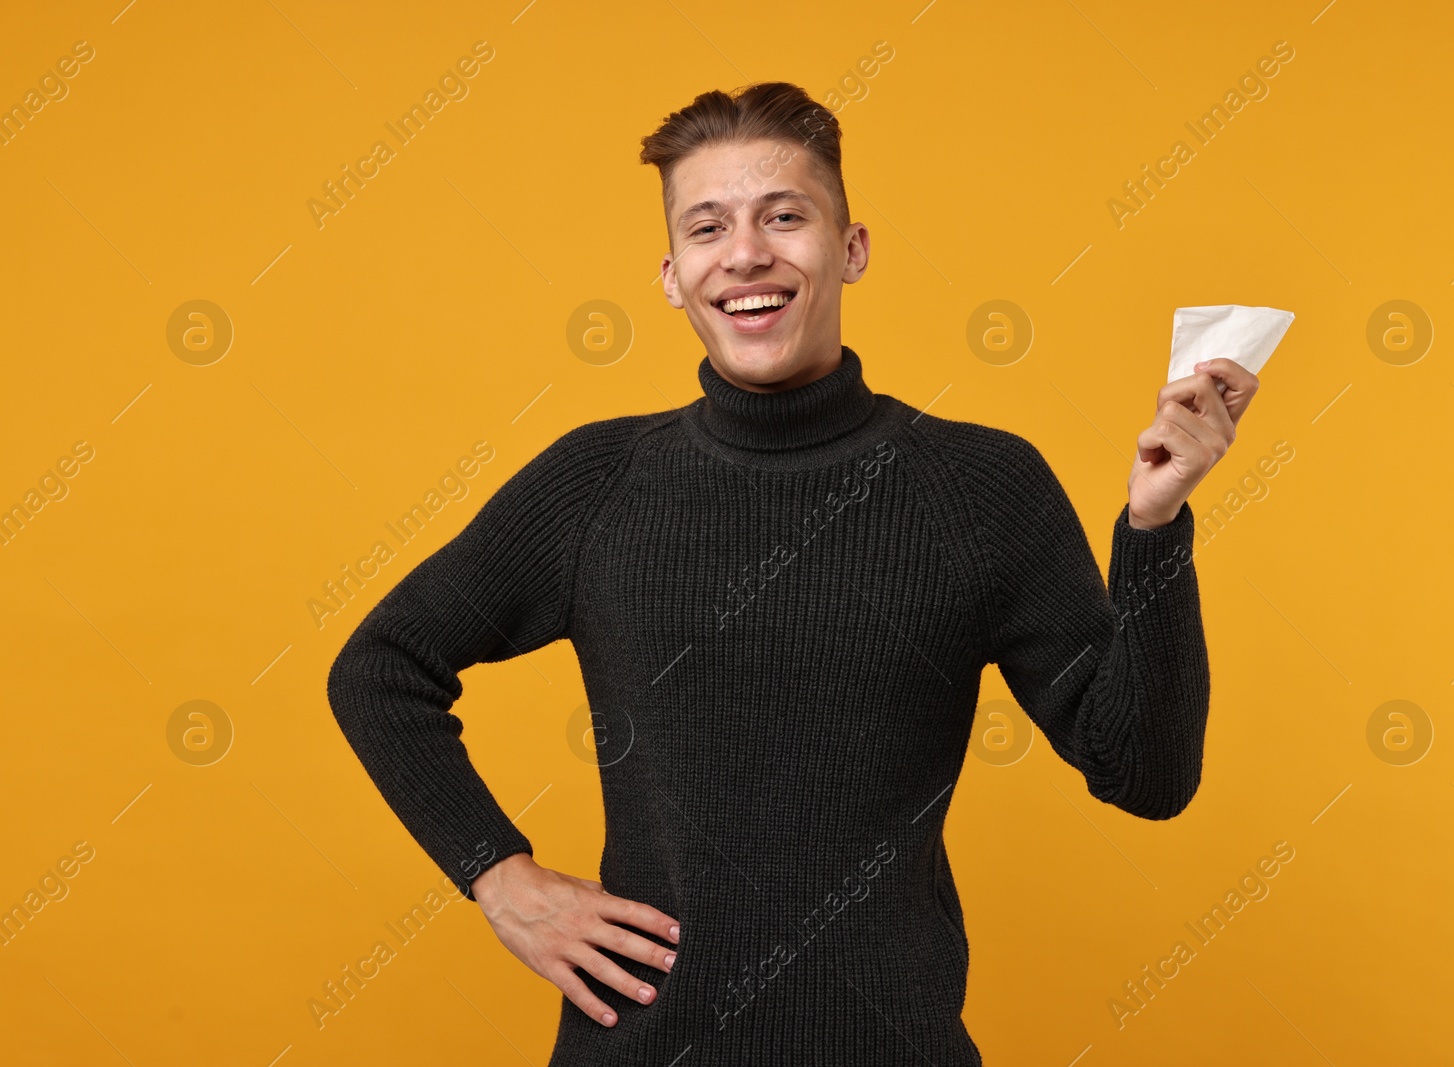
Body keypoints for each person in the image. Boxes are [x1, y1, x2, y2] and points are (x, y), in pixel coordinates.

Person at [327, 80, 1256, 1065]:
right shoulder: (599, 480)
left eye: (784, 216)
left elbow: (1148, 775)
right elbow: (381, 666)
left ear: (850, 249)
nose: (746, 254)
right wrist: (496, 873)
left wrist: (1153, 527)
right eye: (707, 227)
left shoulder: (978, 485)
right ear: (674, 276)